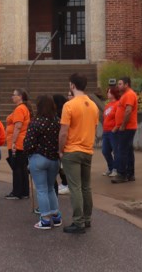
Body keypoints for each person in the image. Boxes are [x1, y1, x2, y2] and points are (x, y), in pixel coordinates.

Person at [58, 73, 98, 234]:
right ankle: (87, 218)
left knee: (75, 187)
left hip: (72, 149)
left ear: (72, 85)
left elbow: (63, 131)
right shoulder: (93, 105)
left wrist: (60, 149)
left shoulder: (69, 105)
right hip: (87, 149)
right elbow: (94, 128)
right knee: (86, 187)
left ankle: (78, 221)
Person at [25, 95, 63, 229]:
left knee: (41, 190)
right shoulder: (58, 121)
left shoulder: (35, 122)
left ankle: (45, 218)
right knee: (51, 188)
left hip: (39, 157)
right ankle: (56, 216)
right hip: (54, 158)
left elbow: (28, 143)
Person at [4, 88, 31, 200]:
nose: (12, 96)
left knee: (17, 168)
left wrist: (14, 142)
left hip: (18, 142)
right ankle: (24, 191)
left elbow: (18, 126)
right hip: (22, 142)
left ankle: (17, 192)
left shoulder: (20, 109)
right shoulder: (24, 108)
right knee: (22, 167)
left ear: (20, 96)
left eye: (14, 95)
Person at [111, 76, 138, 184]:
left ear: (127, 84)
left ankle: (122, 174)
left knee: (122, 151)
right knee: (128, 151)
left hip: (127, 128)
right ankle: (130, 174)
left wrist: (122, 125)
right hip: (125, 127)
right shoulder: (125, 95)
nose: (118, 85)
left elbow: (128, 111)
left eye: (120, 83)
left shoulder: (129, 95)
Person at [51, 93, 70, 195]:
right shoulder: (64, 111)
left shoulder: (60, 114)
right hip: (64, 142)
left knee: (62, 166)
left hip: (62, 143)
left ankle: (66, 183)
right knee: (62, 166)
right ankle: (65, 183)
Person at [100, 87, 119, 176]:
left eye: (109, 92)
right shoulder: (108, 105)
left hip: (113, 131)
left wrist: (115, 128)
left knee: (116, 150)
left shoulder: (117, 104)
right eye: (107, 92)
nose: (108, 94)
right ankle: (110, 167)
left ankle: (115, 168)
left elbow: (118, 118)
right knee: (105, 151)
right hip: (106, 131)